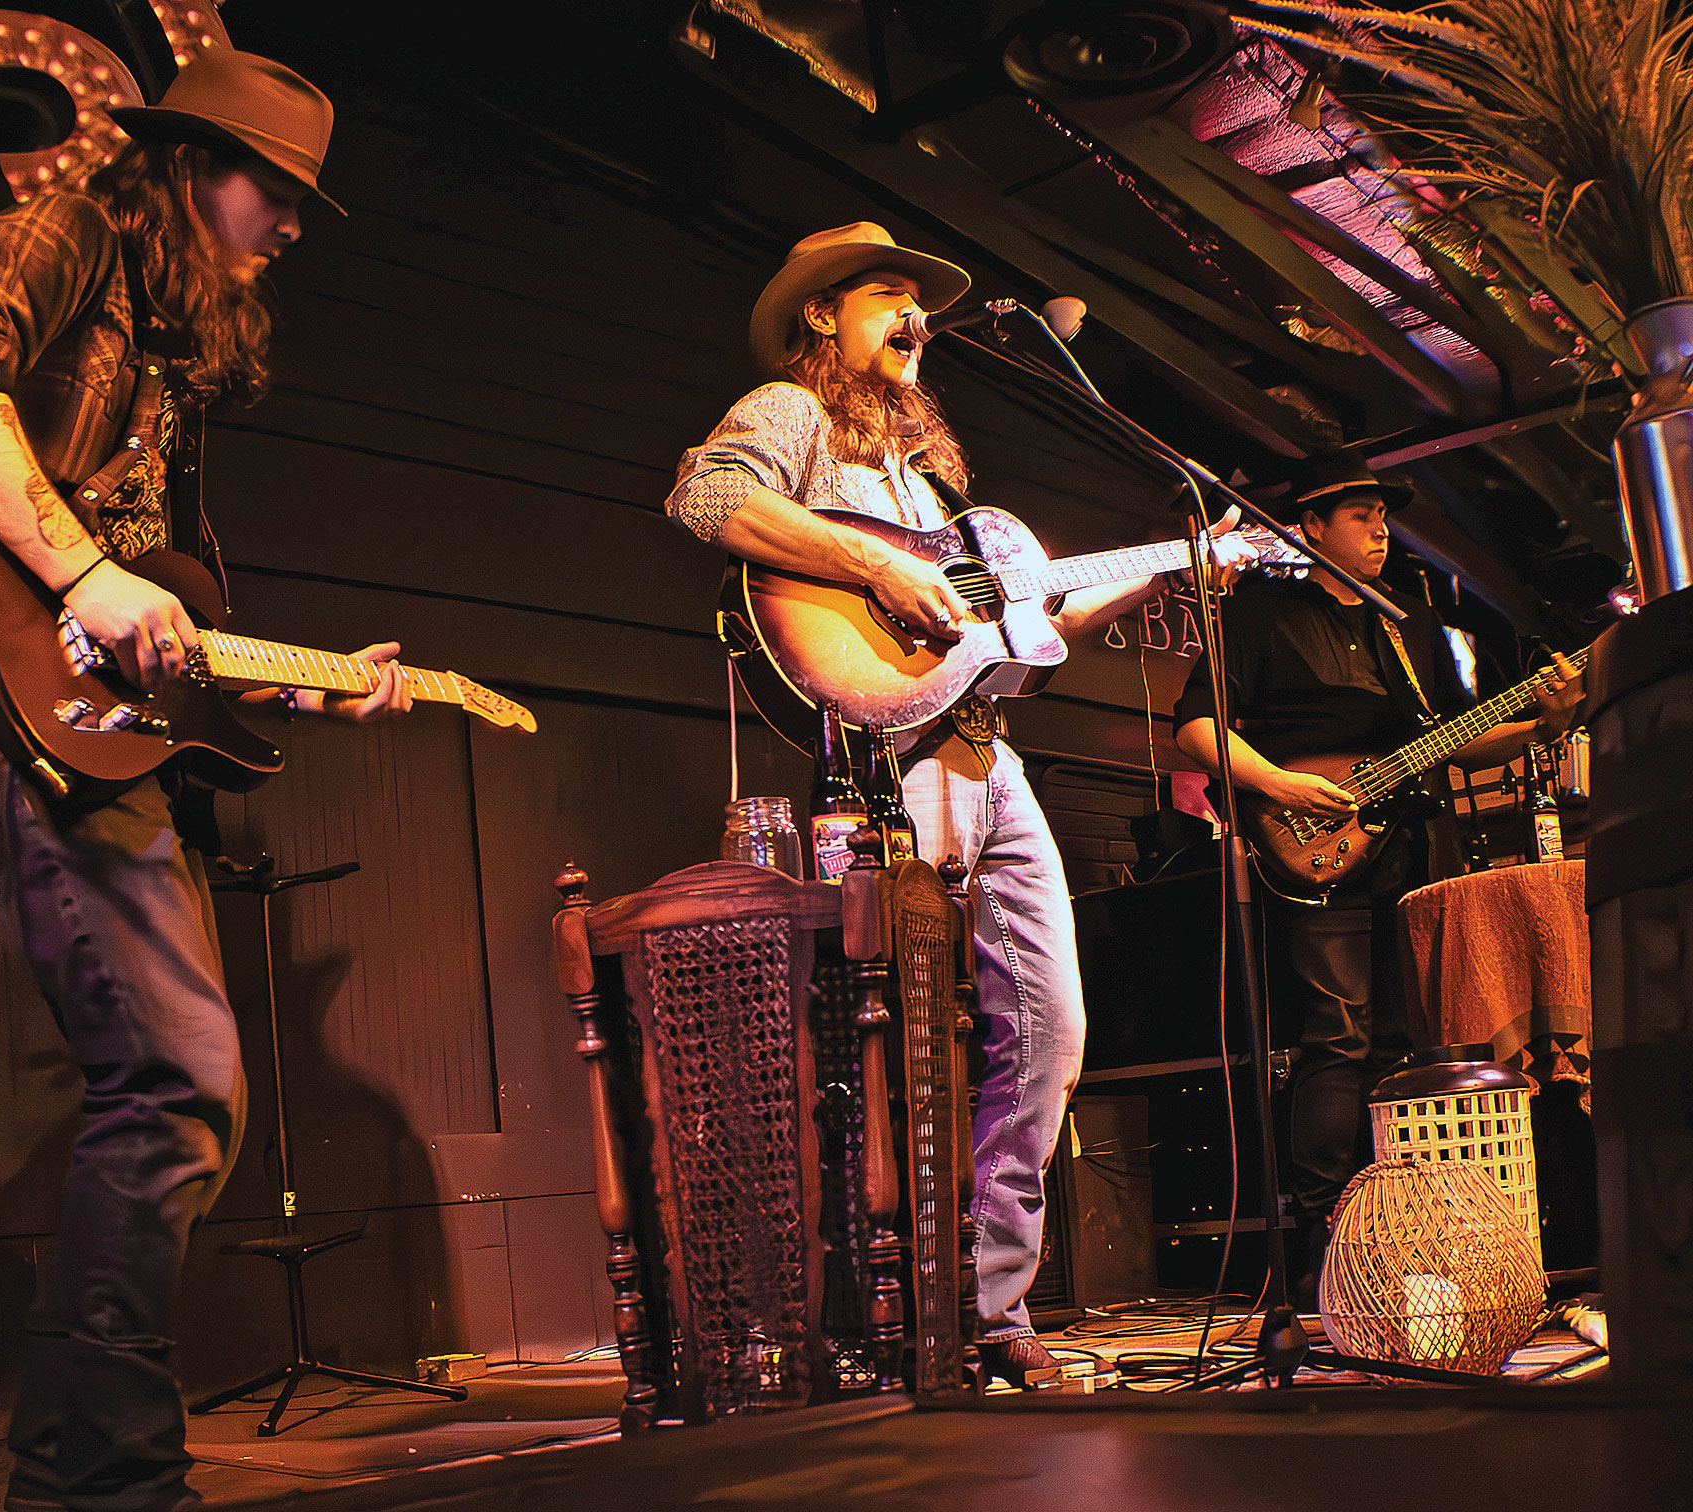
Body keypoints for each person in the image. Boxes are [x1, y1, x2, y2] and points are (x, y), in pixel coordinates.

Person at [0, 51, 411, 1512]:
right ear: (188, 168)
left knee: (182, 1088)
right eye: (274, 189)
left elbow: (166, 629)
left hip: (88, 727)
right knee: (175, 1077)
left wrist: (297, 680)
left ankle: (85, 1476)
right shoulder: (67, 234)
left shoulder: (167, 374)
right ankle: (104, 1481)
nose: (290, 225)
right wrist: (82, 571)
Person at [665, 221, 1256, 1385]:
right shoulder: (789, 412)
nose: (912, 316)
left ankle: (987, 1304)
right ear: (821, 314)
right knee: (904, 1039)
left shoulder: (939, 488)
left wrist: (1173, 570)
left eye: (916, 299)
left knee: (1049, 1029)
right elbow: (705, 497)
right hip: (892, 767)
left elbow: (1037, 624)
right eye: (884, 294)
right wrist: (876, 566)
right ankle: (893, 1314)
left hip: (992, 756)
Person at [1171, 457, 1581, 1303]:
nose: (1381, 529)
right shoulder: (1260, 612)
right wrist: (1281, 785)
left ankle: (1404, 1230)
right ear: (1311, 527)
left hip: (1413, 844)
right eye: (1360, 515)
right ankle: (1322, 1243)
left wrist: (1546, 725)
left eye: (1383, 516)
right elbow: (1196, 728)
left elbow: (1450, 739)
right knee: (1339, 1036)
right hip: (1311, 838)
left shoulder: (1410, 622)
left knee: (1410, 1040)